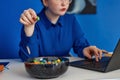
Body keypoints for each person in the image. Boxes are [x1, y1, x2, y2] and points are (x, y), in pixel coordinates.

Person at [19, 0, 106, 62]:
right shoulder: (32, 22)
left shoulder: (71, 20)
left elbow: (80, 45)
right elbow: (29, 59)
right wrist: (29, 29)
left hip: (64, 71)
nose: (64, 3)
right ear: (45, 1)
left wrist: (85, 49)